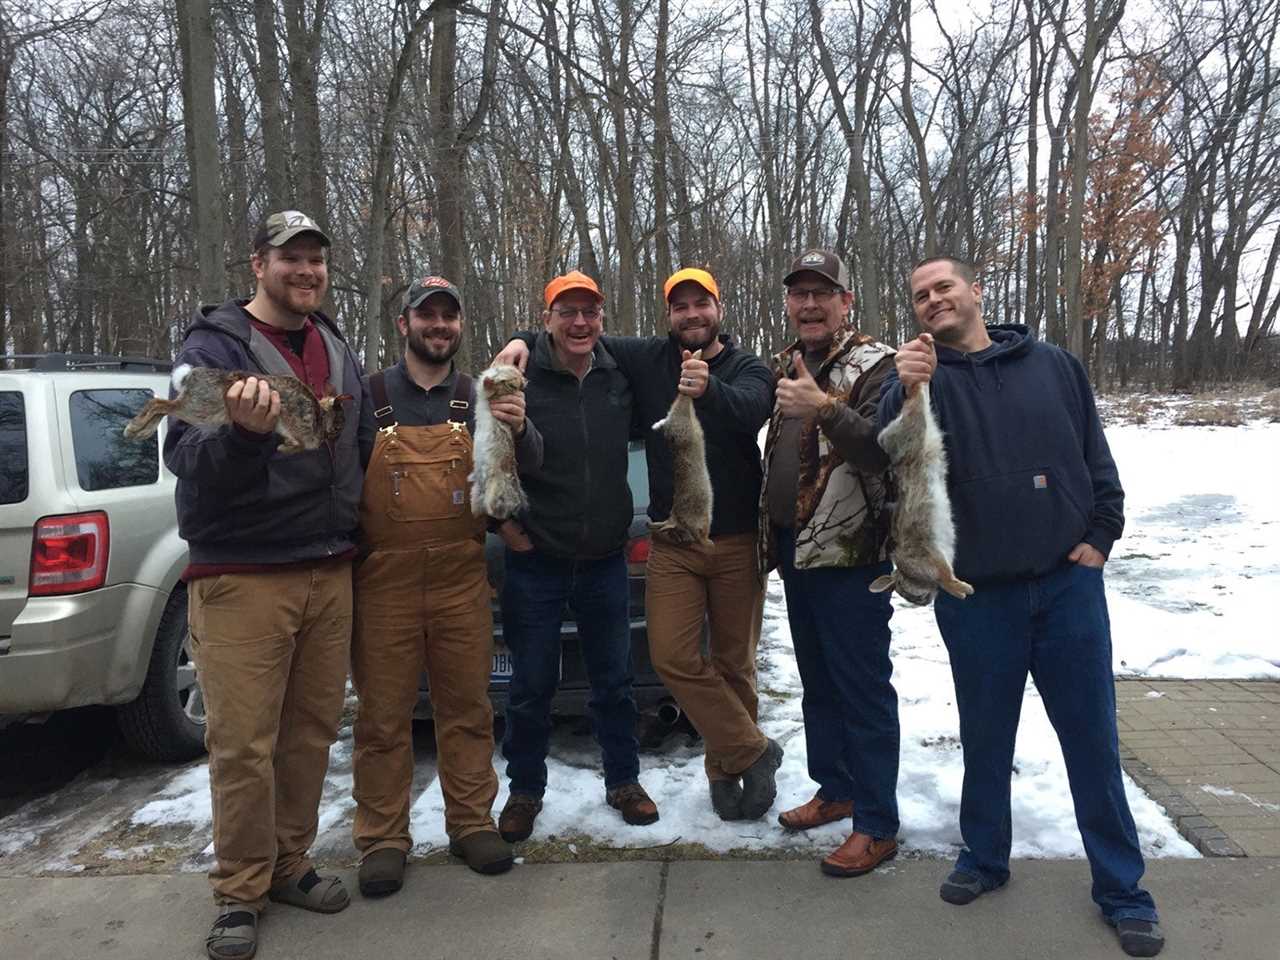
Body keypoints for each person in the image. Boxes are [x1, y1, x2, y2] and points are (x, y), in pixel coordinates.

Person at [879, 256, 1163, 958]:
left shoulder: (1055, 366)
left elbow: (1095, 456)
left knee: (1092, 742)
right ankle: (984, 858)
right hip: (977, 596)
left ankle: (1123, 889)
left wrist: (1103, 532)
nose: (933, 300)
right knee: (985, 737)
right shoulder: (921, 376)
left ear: (976, 291)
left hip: (1066, 588)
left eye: (943, 286)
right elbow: (894, 450)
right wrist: (905, 386)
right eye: (920, 296)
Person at [493, 268, 779, 821]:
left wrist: (710, 389)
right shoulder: (647, 359)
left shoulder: (747, 366)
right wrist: (518, 340)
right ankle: (752, 749)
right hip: (664, 539)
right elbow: (567, 338)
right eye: (680, 306)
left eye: (702, 304)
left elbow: (752, 410)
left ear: (719, 308)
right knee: (667, 657)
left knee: (732, 664)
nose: (691, 314)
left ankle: (726, 769)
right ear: (668, 316)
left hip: (733, 539)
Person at [164, 210, 364, 960]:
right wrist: (244, 435)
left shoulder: (333, 341)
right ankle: (239, 890)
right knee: (245, 743)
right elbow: (183, 458)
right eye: (291, 259)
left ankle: (289, 863)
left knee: (310, 733)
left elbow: (358, 449)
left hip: (328, 565)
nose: (306, 271)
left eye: (315, 259)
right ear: (258, 264)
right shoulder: (208, 349)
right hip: (243, 573)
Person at [349, 275, 543, 893]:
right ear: (402, 324)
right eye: (425, 315)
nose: (439, 325)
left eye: (449, 316)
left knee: (468, 709)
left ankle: (470, 824)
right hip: (384, 584)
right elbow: (340, 488)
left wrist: (521, 426)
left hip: (462, 579)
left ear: (459, 326)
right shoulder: (369, 395)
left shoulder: (478, 394)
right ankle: (383, 838)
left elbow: (529, 465)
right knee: (384, 719)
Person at [495, 270, 660, 842]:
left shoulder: (619, 374)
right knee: (531, 683)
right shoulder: (519, 377)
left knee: (614, 681)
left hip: (604, 559)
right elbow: (486, 454)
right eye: (566, 311)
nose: (580, 321)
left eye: (589, 311)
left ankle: (624, 780)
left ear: (602, 318)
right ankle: (524, 790)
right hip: (536, 558)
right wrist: (502, 523)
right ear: (546, 320)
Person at [760, 249, 901, 878]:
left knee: (862, 689)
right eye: (800, 295)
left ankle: (877, 823)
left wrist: (822, 406)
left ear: (847, 301)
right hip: (797, 550)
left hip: (850, 553)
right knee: (818, 683)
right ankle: (836, 788)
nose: (810, 305)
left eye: (823, 294)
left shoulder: (880, 366)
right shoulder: (787, 363)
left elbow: (881, 452)